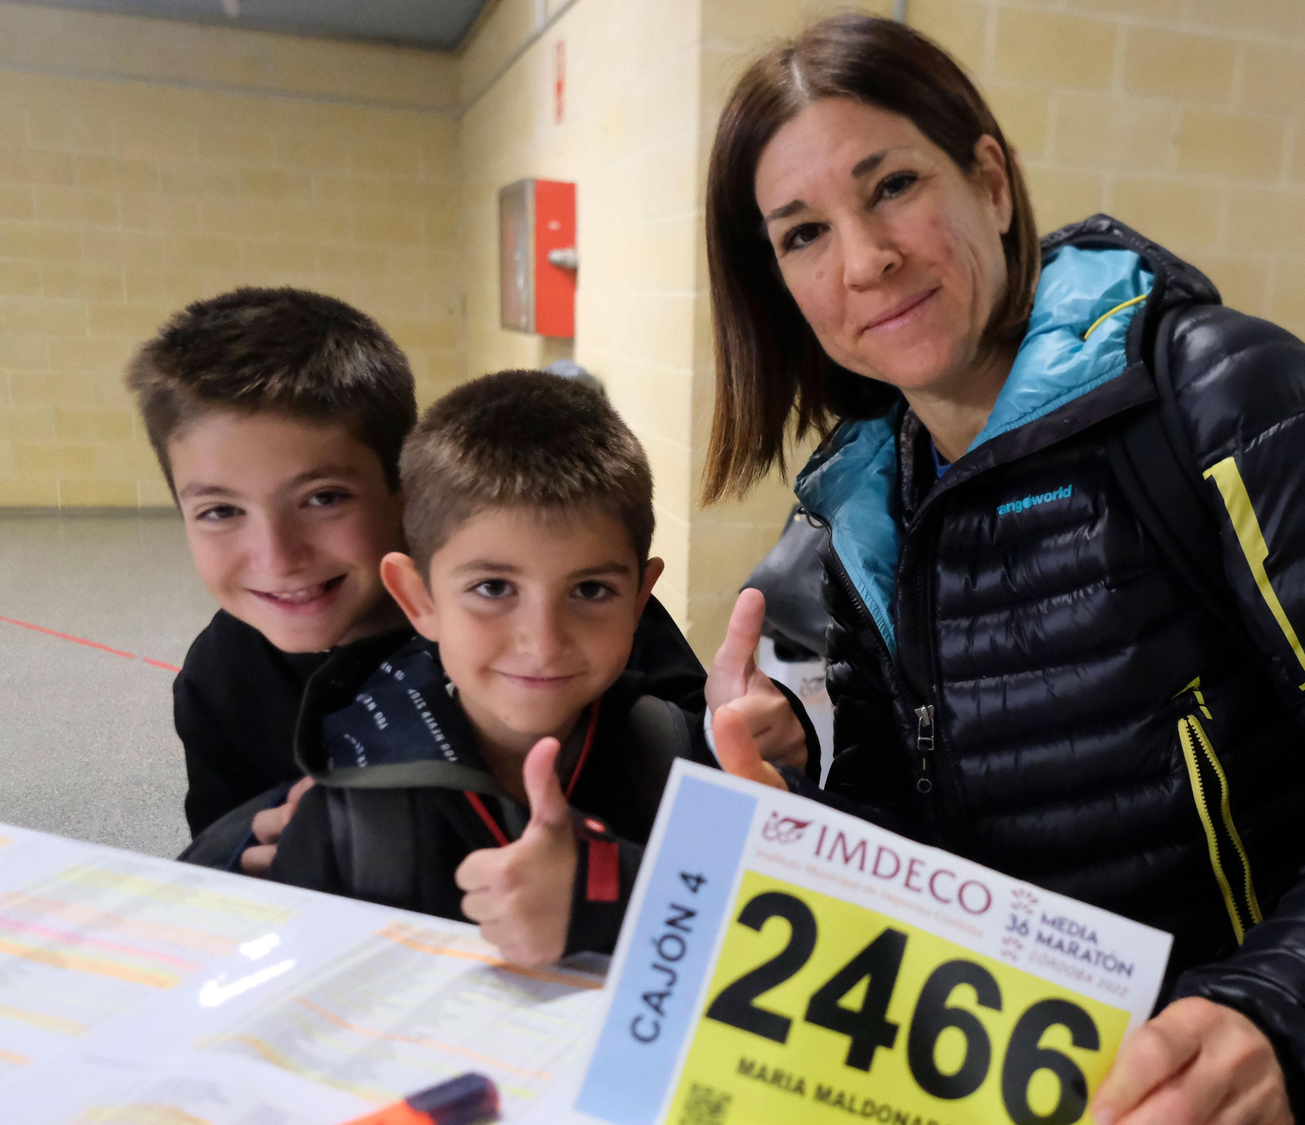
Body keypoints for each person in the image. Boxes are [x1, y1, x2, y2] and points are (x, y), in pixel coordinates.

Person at [697, 16, 1305, 1125]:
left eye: (892, 186)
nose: (864, 260)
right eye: (804, 234)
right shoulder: (866, 501)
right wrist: (801, 812)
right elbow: (937, 835)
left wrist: (1280, 1018)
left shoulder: (1224, 397)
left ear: (990, 181)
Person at [124, 289, 800, 872]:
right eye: (220, 511)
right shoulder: (220, 676)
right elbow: (219, 862)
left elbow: (722, 759)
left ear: (404, 488)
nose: (277, 555)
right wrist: (246, 851)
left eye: (323, 498)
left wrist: (767, 735)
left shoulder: (575, 597)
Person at [266, 371, 814, 965]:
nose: (545, 642)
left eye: (590, 590)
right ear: (418, 598)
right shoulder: (349, 808)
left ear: (639, 600)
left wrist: (781, 783)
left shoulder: (684, 760)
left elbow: (802, 938)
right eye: (493, 587)